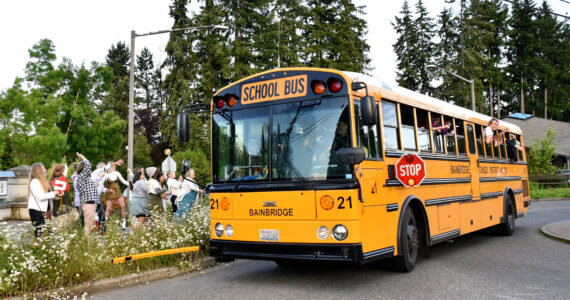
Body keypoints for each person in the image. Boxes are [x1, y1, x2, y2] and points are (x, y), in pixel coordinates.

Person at [75, 153, 106, 238]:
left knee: (90, 224)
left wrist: (95, 184)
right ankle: (87, 245)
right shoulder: (82, 176)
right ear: (84, 169)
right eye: (89, 169)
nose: (90, 170)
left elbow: (87, 188)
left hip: (91, 203)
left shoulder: (85, 178)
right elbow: (88, 164)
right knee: (88, 225)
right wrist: (82, 157)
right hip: (88, 204)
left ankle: (88, 243)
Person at [28, 163, 61, 238]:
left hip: (44, 211)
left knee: (44, 234)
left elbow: (47, 196)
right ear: (38, 170)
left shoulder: (42, 182)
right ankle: (36, 248)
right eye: (43, 168)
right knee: (40, 234)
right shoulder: (35, 182)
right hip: (37, 211)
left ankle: (37, 248)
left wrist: (57, 195)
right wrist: (54, 193)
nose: (45, 170)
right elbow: (40, 197)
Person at [101, 160, 129, 229]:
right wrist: (106, 190)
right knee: (108, 208)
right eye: (113, 165)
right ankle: (104, 224)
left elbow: (124, 181)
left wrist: (131, 184)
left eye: (115, 165)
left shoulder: (117, 173)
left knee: (123, 206)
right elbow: (101, 184)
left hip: (117, 191)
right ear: (109, 167)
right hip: (110, 192)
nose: (115, 166)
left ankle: (124, 223)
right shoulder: (106, 175)